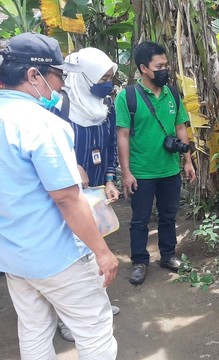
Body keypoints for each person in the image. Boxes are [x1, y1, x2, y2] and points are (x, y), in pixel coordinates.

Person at [0, 33, 118, 359]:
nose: (62, 84)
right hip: (57, 255)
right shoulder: (41, 124)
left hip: (12, 254)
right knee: (94, 331)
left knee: (34, 330)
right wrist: (102, 252)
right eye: (59, 74)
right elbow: (67, 198)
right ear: (34, 75)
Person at [54, 47, 122, 342]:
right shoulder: (59, 106)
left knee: (95, 245)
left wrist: (109, 179)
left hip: (94, 188)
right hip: (67, 191)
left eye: (110, 76)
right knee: (69, 252)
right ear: (86, 77)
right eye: (103, 76)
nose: (107, 82)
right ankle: (66, 319)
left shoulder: (106, 105)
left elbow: (109, 147)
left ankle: (97, 300)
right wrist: (71, 167)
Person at [115, 41, 196, 285]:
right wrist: (126, 173)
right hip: (142, 172)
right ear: (143, 68)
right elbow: (123, 136)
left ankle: (168, 256)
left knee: (168, 216)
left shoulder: (172, 93)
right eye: (159, 66)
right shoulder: (127, 97)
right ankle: (140, 261)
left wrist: (188, 160)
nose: (165, 70)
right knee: (140, 220)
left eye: (166, 65)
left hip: (169, 169)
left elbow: (180, 126)